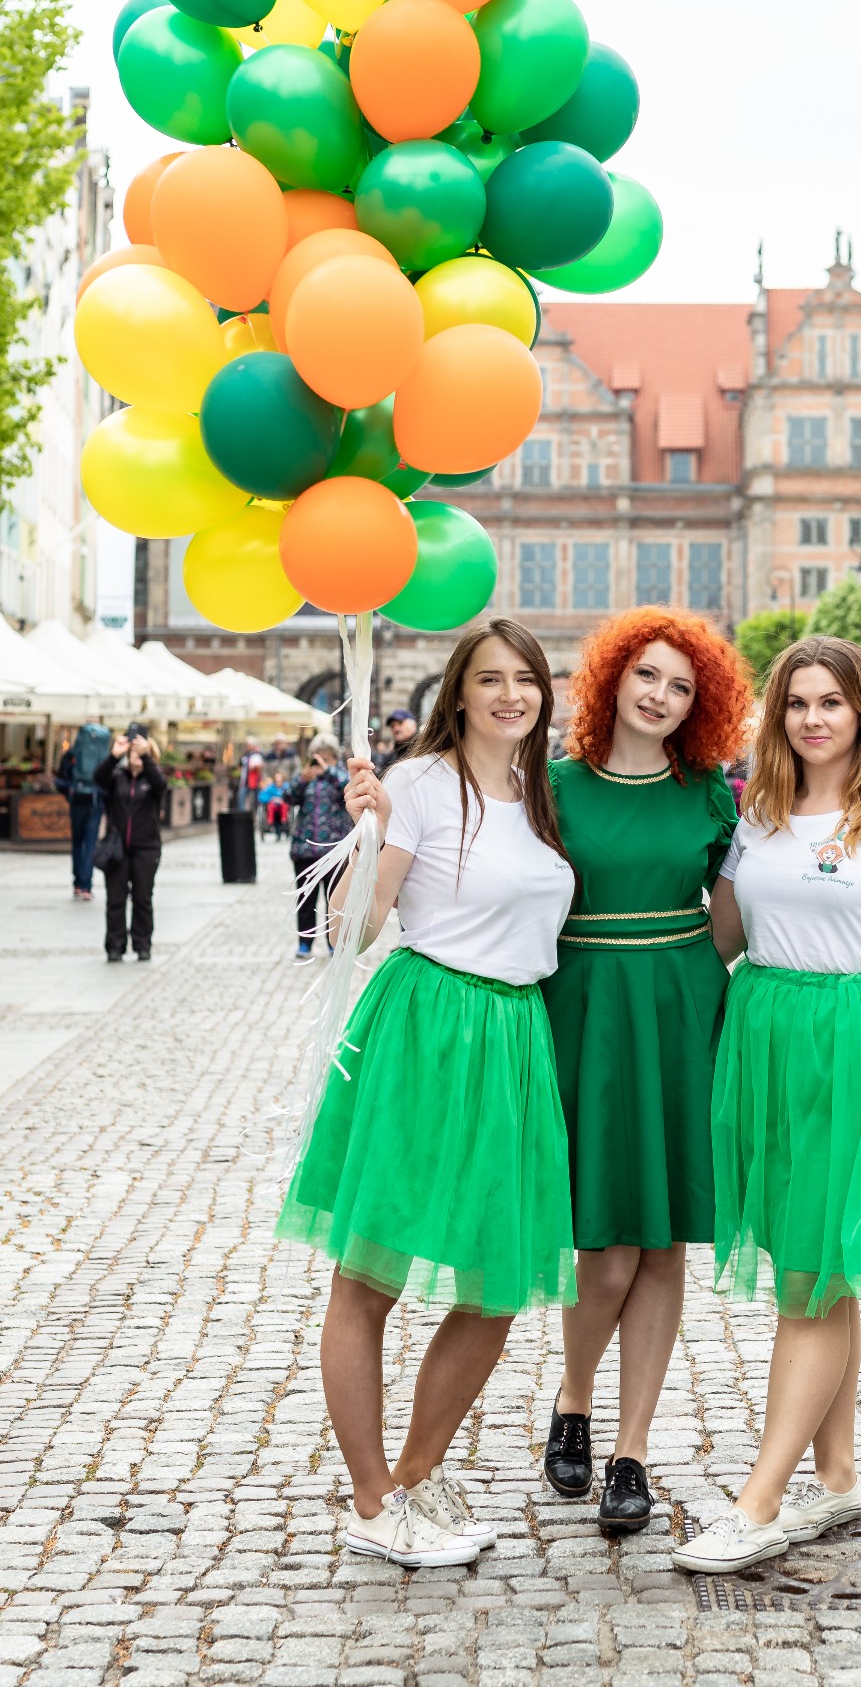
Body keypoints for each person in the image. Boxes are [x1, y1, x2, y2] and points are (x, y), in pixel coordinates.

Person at [275, 618, 578, 1570]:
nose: (507, 696)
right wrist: (369, 837)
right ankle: (370, 1500)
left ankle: (410, 1476)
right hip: (427, 1030)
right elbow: (348, 934)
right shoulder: (417, 785)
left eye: (522, 680)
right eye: (487, 679)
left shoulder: (544, 795)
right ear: (458, 692)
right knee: (370, 1277)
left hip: (515, 1041)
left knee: (494, 1288)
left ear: (542, 694)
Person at [673, 635, 861, 1575]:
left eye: (828, 703)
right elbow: (717, 934)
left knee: (810, 1274)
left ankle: (759, 1500)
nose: (810, 718)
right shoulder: (758, 811)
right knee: (822, 1263)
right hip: (767, 1042)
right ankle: (834, 1475)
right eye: (796, 702)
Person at [540, 608, 751, 1536]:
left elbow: (733, 925)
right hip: (582, 1004)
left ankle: (631, 1449)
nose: (662, 697)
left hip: (677, 1006)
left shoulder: (710, 796)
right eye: (648, 677)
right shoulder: (550, 790)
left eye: (681, 687)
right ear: (612, 681)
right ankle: (572, 1397)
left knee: (662, 1243)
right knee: (606, 1244)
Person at [93, 724, 166, 964]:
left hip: (146, 848)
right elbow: (98, 778)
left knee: (143, 898)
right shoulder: (117, 777)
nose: (135, 756)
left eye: (140, 752)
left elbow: (161, 786)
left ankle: (143, 945)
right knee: (115, 899)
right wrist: (114, 755)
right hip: (117, 848)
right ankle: (115, 946)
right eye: (132, 752)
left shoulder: (153, 779)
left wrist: (146, 755)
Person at [284, 734, 352, 960]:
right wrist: (301, 780)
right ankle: (305, 942)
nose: (321, 762)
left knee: (334, 899)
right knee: (306, 900)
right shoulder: (306, 777)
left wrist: (329, 771)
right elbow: (287, 797)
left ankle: (334, 943)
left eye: (326, 757)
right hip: (304, 850)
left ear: (334, 757)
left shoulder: (341, 774)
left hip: (334, 850)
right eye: (318, 757)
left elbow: (349, 789)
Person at [56, 721, 110, 902]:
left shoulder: (72, 754)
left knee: (77, 842)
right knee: (90, 843)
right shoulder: (103, 755)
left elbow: (61, 778)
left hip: (76, 801)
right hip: (95, 802)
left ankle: (77, 883)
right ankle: (87, 885)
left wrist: (69, 792)